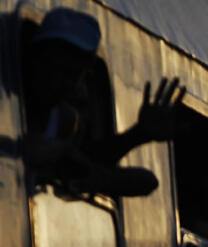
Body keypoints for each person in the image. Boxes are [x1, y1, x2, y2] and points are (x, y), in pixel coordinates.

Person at [24, 8, 183, 198]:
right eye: (56, 67)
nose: (63, 81)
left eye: (73, 74)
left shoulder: (65, 122)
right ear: (37, 59)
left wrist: (138, 134)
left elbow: (143, 180)